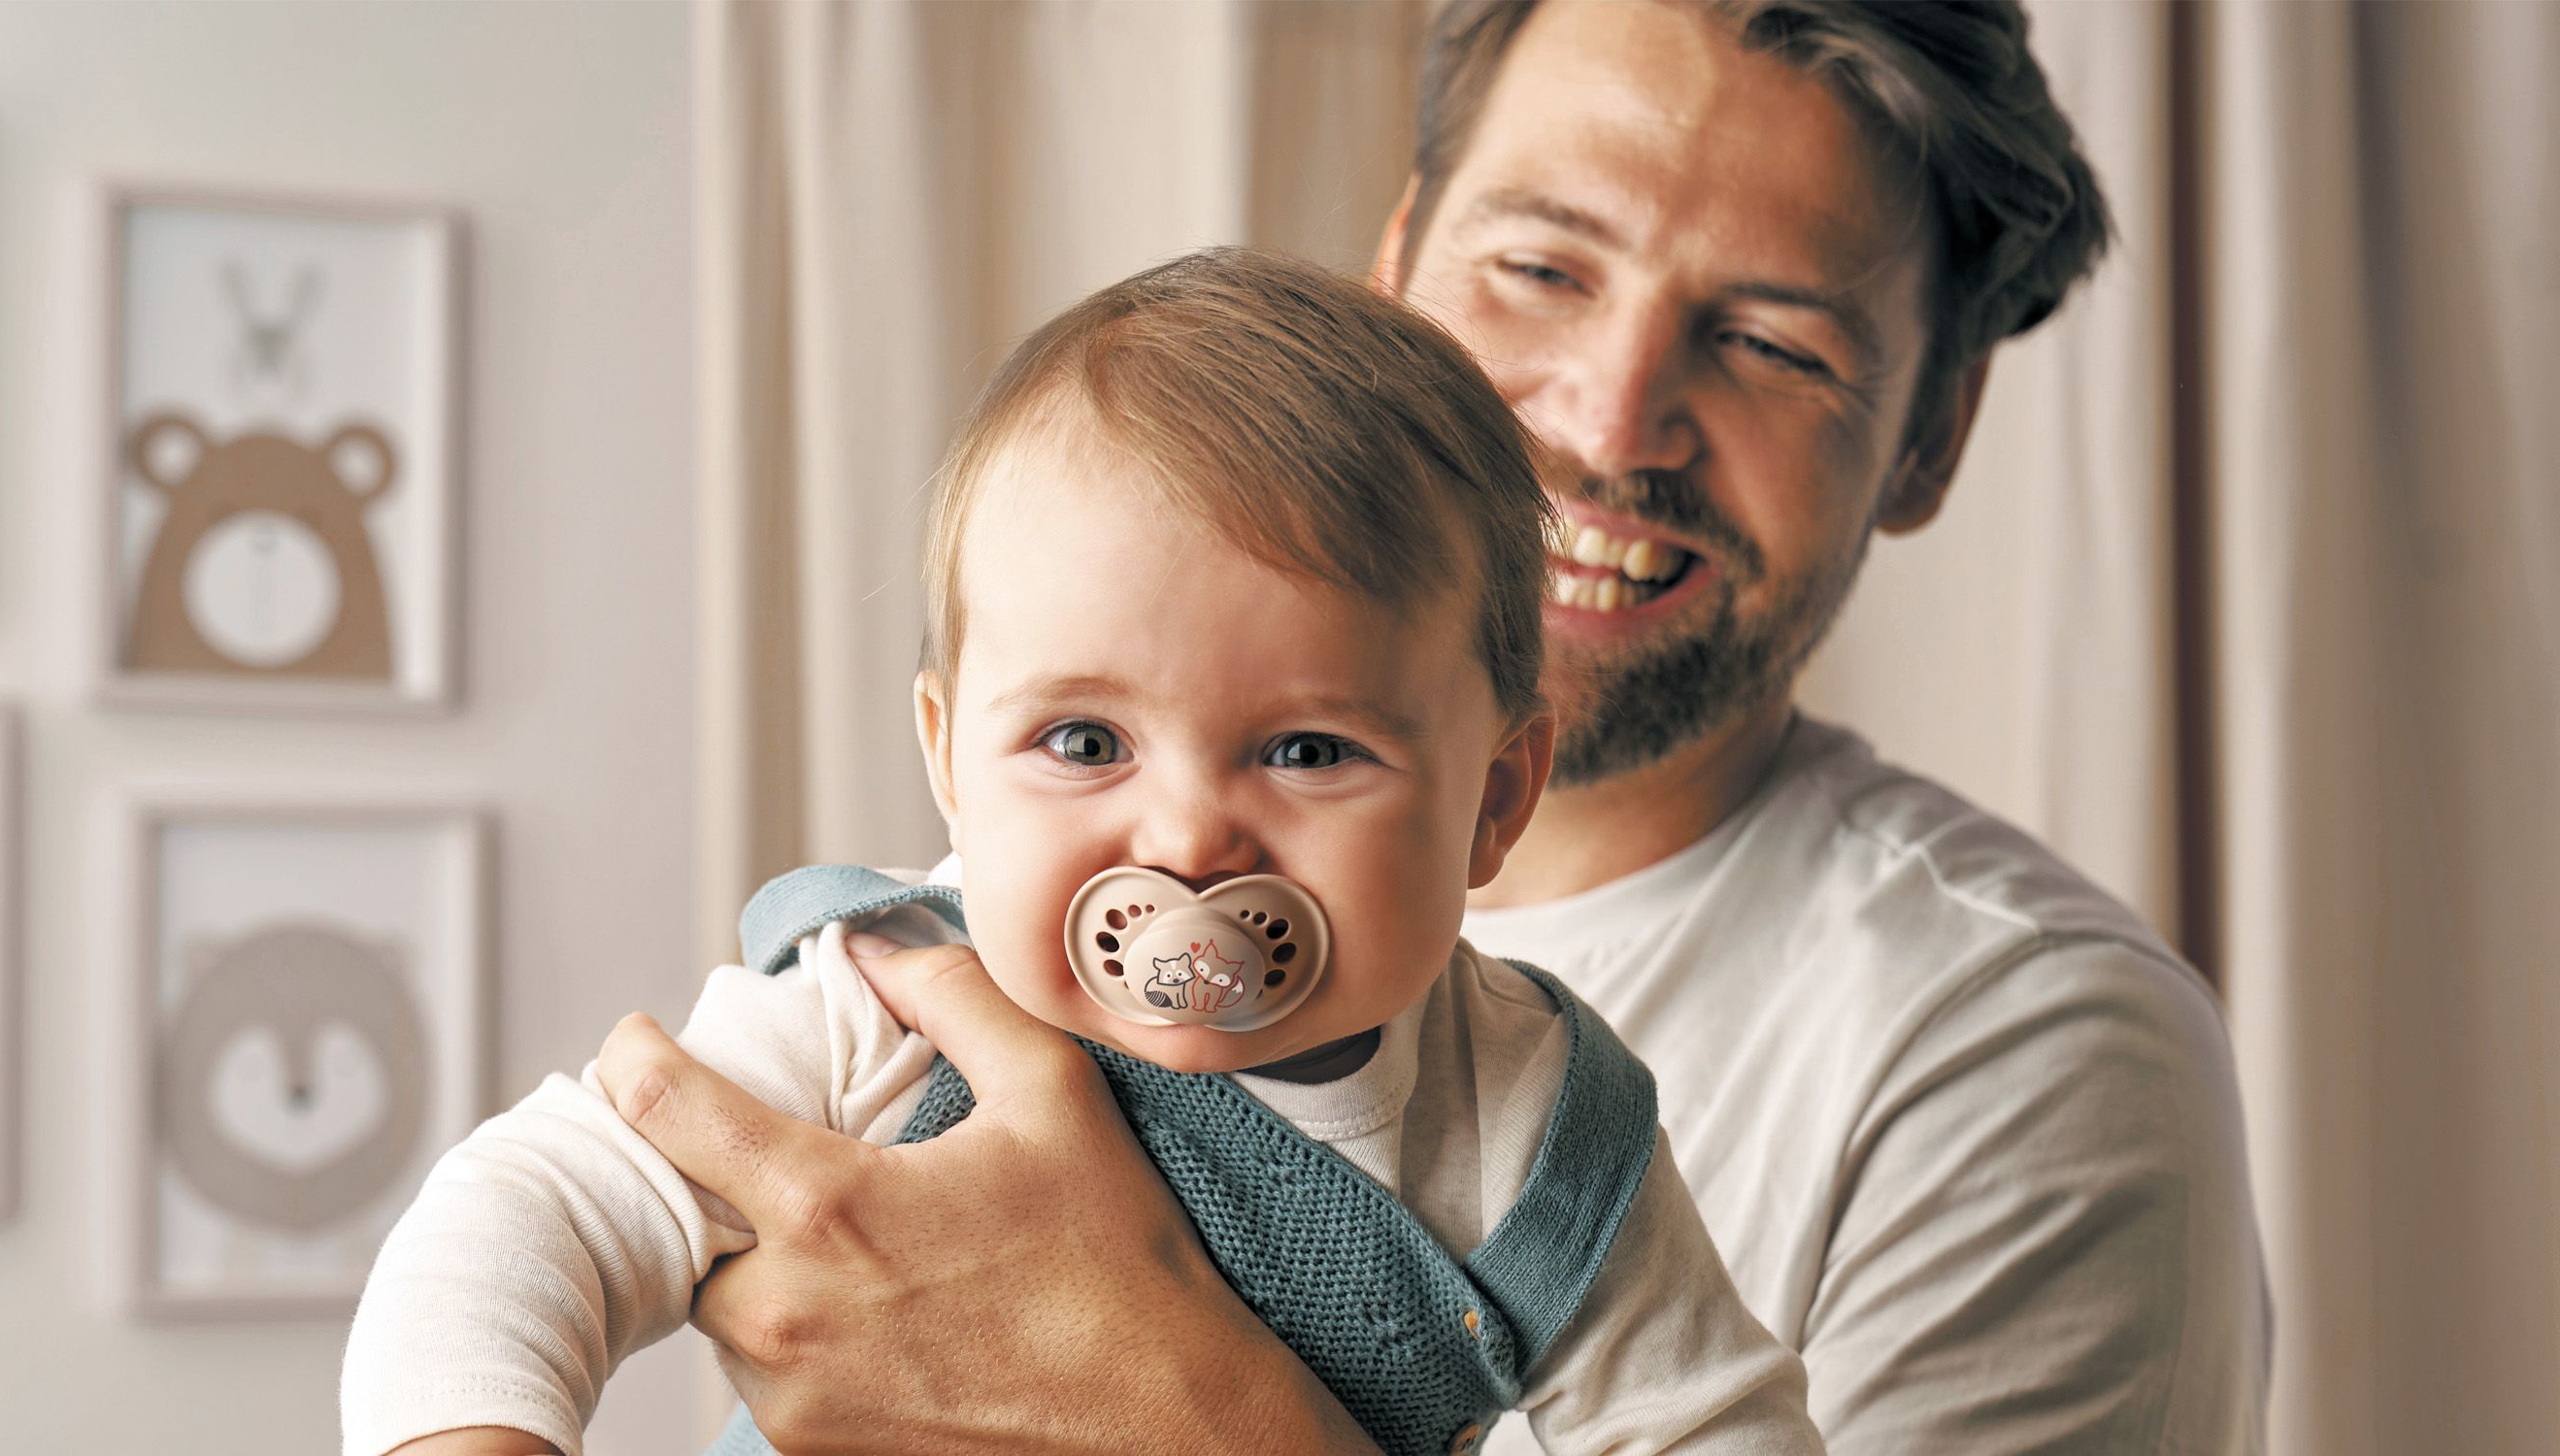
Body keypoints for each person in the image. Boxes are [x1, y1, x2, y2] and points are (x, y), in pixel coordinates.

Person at [579, 3, 2271, 1453]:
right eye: (1538, 268)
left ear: (1927, 438)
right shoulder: (929, 949)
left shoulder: (2014, 1051)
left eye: (1769, 343)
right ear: (1393, 277)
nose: (1608, 422)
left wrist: (1160, 1401)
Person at [344, 248, 1825, 1456]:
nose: (1183, 839)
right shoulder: (890, 996)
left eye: (1309, 750)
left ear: (1495, 797)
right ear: (947, 759)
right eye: (1083, 743)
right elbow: (525, 1218)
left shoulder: (1533, 1121)